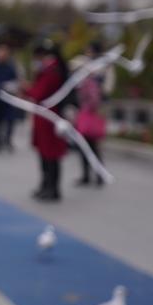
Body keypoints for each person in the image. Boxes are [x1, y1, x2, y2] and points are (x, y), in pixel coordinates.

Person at [24, 41, 69, 201]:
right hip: (45, 118)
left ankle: (52, 188)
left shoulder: (51, 72)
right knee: (45, 155)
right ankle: (46, 186)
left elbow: (38, 93)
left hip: (49, 120)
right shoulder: (50, 70)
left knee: (50, 155)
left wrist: (24, 88)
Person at [73, 42, 108, 186]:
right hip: (87, 112)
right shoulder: (87, 70)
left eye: (90, 51)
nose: (88, 53)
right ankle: (88, 175)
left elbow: (102, 92)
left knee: (92, 145)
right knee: (86, 145)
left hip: (93, 113)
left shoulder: (101, 70)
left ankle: (97, 174)